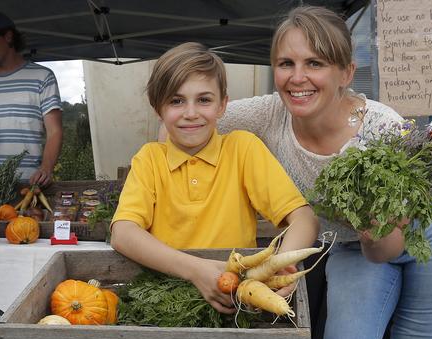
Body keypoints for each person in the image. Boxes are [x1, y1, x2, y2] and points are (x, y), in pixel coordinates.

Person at [211, 6, 432, 339]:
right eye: (286, 63)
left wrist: (371, 230)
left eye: (315, 64)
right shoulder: (268, 114)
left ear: (346, 72)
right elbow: (192, 120)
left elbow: (384, 247)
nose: (297, 77)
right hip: (355, 245)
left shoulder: (382, 131)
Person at [111, 42, 319, 313]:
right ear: (157, 109)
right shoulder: (150, 159)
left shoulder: (242, 149)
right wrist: (197, 271)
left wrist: (276, 265)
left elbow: (304, 218)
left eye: (204, 100)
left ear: (223, 105)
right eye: (176, 101)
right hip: (167, 302)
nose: (191, 113)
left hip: (236, 299)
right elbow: (122, 233)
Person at [0, 11, 63, 186]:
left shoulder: (42, 76)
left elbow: (54, 131)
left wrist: (46, 169)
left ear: (8, 37)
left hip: (27, 183)